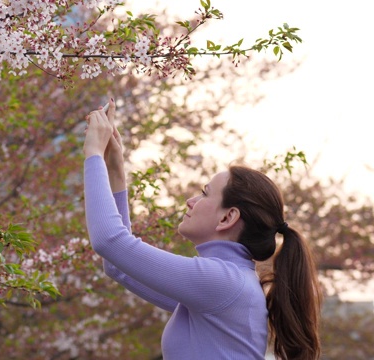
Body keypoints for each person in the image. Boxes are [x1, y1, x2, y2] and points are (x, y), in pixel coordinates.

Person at [83, 98, 322, 360]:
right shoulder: (226, 285)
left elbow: (109, 241)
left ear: (228, 217)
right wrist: (115, 168)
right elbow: (118, 266)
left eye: (204, 194)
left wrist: (93, 152)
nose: (191, 201)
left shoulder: (223, 282)